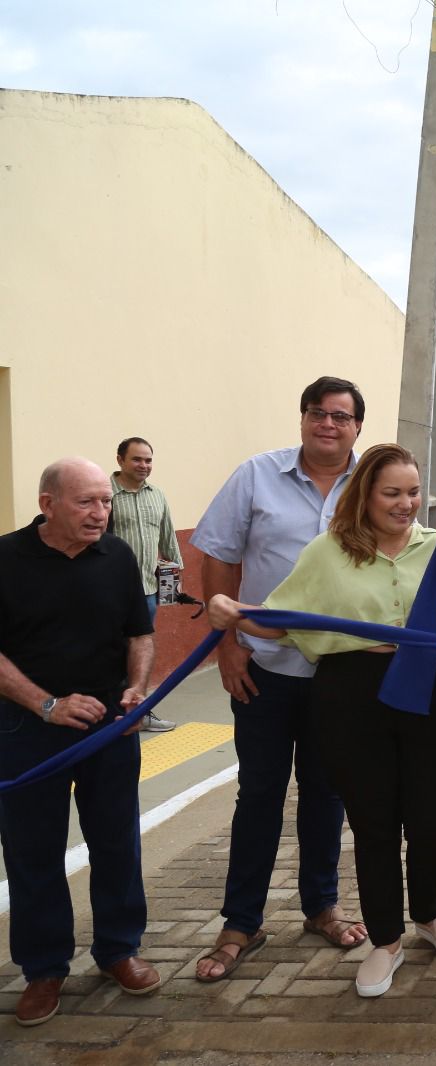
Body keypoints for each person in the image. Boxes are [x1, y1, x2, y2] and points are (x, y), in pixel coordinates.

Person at [207, 444, 436, 997]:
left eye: (413, 492)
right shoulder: (329, 551)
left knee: (430, 813)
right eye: (391, 493)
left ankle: (429, 913)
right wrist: (234, 614)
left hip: (427, 689)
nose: (405, 504)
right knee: (372, 821)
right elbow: (282, 618)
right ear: (365, 496)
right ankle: (386, 939)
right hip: (352, 692)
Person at [190, 376, 368, 981]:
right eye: (317, 413)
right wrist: (227, 649)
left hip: (339, 671)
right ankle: (242, 921)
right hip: (263, 669)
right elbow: (217, 554)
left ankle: (321, 905)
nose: (328, 424)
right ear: (302, 419)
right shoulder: (256, 476)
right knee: (259, 796)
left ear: (356, 428)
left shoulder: (370, 484)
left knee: (327, 793)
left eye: (340, 416)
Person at [0, 458, 160, 1026]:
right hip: (26, 730)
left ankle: (120, 949)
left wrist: (137, 689)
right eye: (87, 503)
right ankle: (44, 969)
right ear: (48, 504)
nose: (101, 513)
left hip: (107, 731)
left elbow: (139, 633)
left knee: (117, 841)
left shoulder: (115, 557)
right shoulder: (6, 559)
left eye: (106, 502)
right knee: (32, 850)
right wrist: (46, 703)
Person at [109, 436, 182, 733]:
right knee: (111, 654)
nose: (144, 465)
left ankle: (140, 711)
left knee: (140, 655)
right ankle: (110, 714)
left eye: (148, 460)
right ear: (120, 460)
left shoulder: (157, 495)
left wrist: (174, 584)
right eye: (137, 459)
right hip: (110, 593)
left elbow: (168, 540)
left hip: (148, 592)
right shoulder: (105, 495)